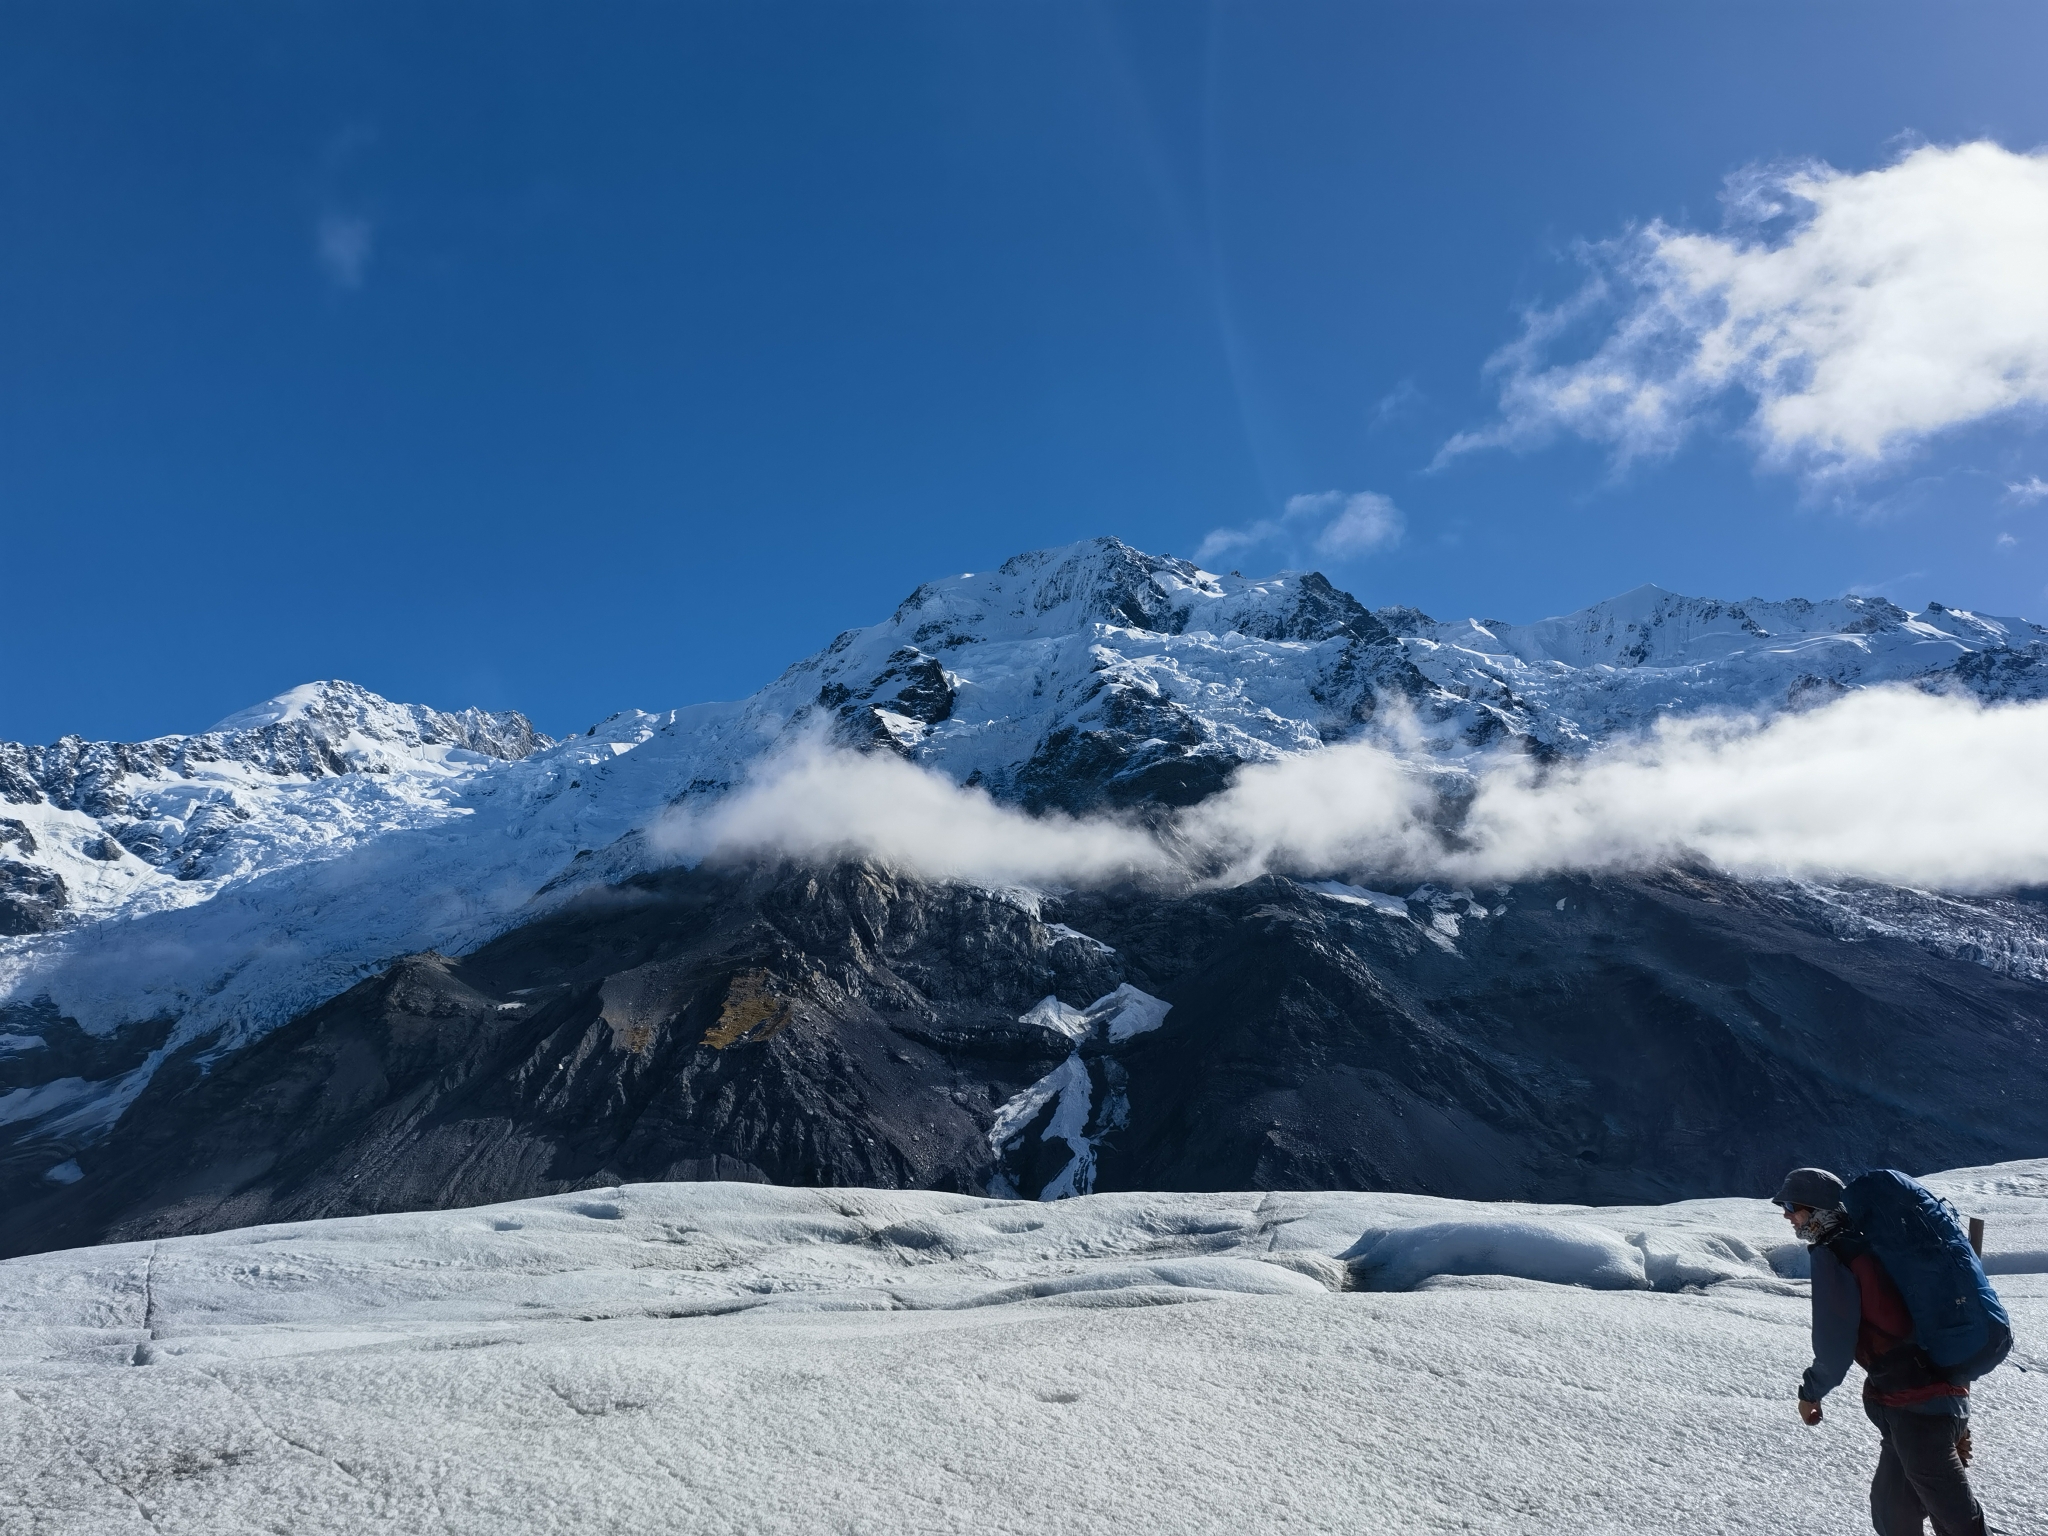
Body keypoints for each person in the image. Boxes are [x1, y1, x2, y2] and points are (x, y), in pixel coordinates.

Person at [1775, 1167, 1987, 1536]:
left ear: (1819, 1209)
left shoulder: (1836, 1255)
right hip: (1927, 1401)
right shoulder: (1881, 1245)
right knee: (1894, 1510)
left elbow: (1834, 1346)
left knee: (1955, 1523)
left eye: (1793, 1206)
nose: (1786, 1215)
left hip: (1915, 1409)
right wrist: (1958, 1411)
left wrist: (1810, 1393)